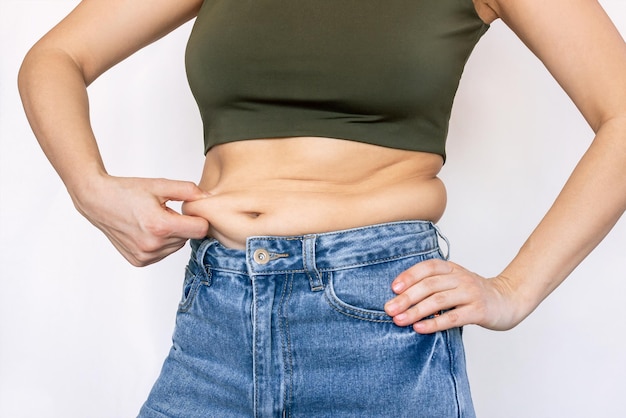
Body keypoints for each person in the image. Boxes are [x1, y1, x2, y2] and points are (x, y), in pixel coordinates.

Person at [18, 0, 626, 417]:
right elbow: (56, 58)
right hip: (218, 311)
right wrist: (90, 187)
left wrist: (514, 289)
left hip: (379, 319)